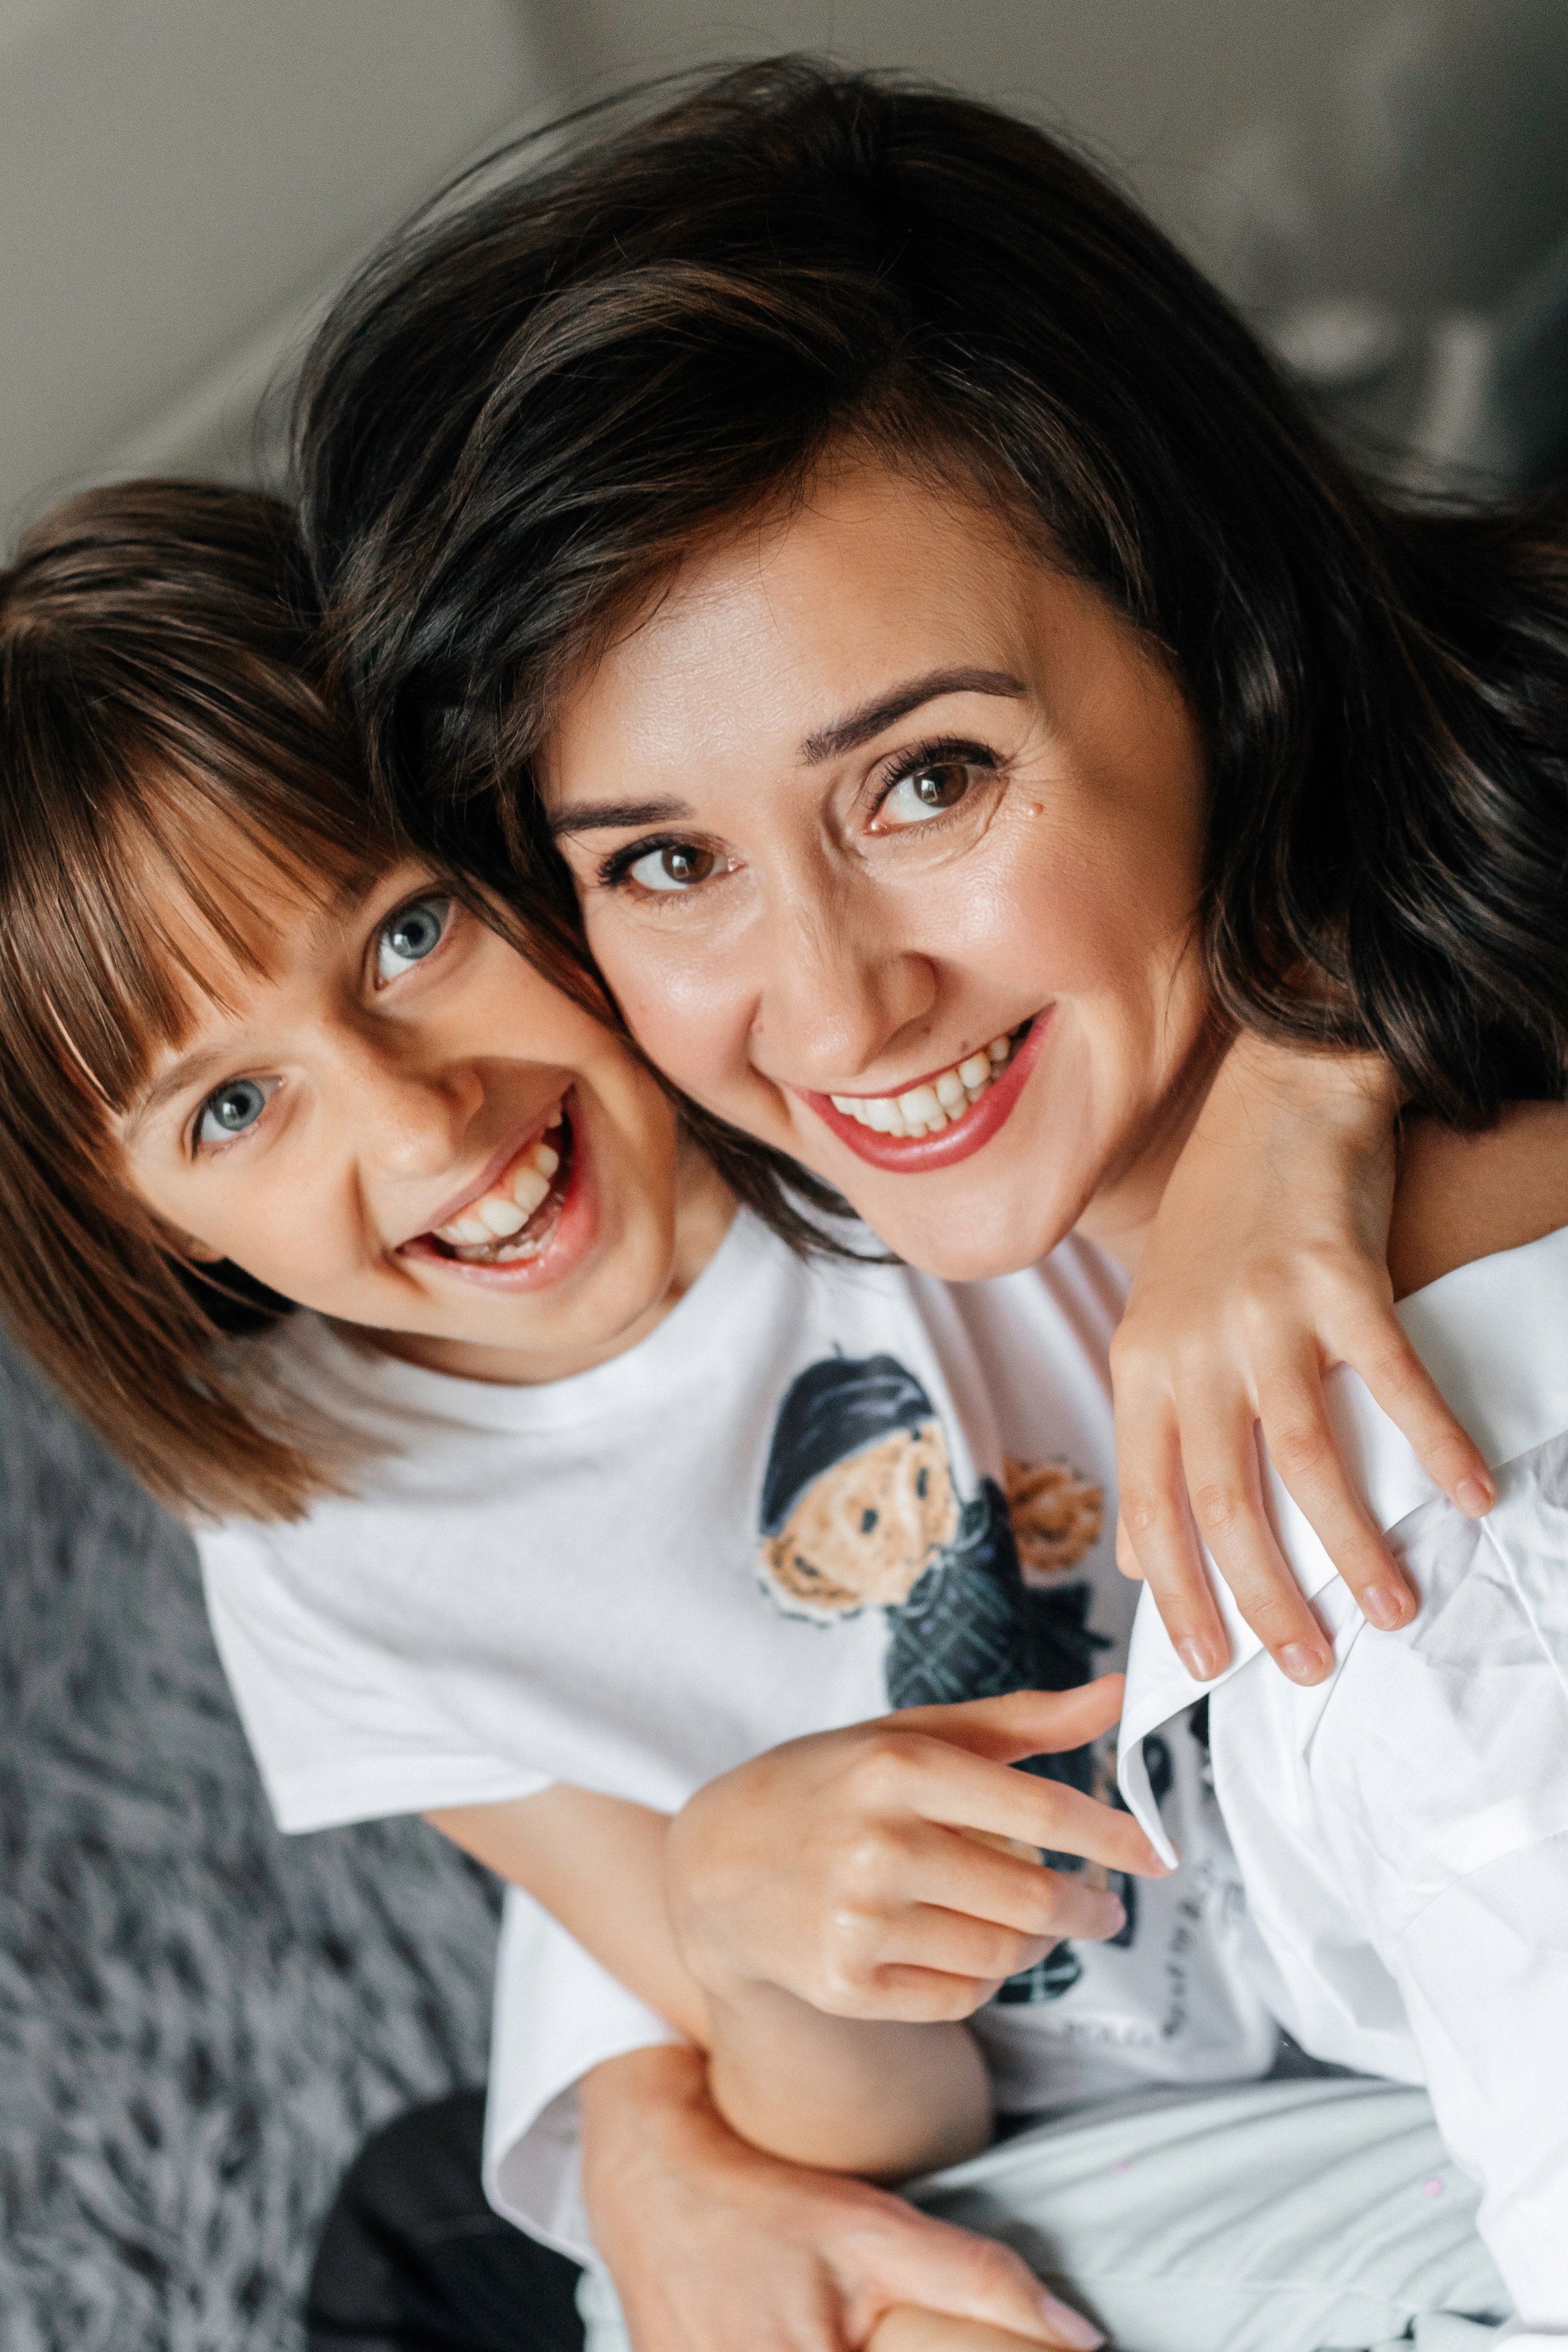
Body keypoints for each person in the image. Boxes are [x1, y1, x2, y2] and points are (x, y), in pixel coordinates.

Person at [292, 56, 1568, 2349]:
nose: (837, 1012)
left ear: (1220, 631)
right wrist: (642, 2126)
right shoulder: (1237, 1036)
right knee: (467, 2208)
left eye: (930, 779)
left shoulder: (1431, 1594)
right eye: (666, 861)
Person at [6, 480, 1487, 2352]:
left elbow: (1389, 833)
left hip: (1416, 1914)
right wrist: (741, 1939)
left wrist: (1299, 1102)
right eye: (230, 1110)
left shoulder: (885, 1087)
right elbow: (877, 2138)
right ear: (117, 1221)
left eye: (410, 934)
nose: (417, 1121)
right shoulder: (323, 1545)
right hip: (1068, 2148)